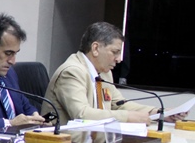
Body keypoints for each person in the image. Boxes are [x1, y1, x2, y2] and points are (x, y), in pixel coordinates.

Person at [42, 22, 186, 125]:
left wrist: (158, 113)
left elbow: (119, 104)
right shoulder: (72, 72)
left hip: (92, 139)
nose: (118, 59)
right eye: (115, 52)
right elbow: (82, 114)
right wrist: (127, 117)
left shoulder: (104, 73)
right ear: (95, 48)